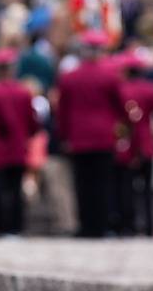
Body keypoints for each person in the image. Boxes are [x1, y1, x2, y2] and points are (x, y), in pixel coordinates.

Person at [57, 30, 126, 238]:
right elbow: (121, 106)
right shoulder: (110, 76)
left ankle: (86, 225)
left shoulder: (69, 77)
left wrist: (64, 136)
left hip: (78, 136)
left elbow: (63, 112)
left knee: (82, 184)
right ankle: (102, 224)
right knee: (103, 183)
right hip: (104, 135)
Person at [0, 48, 40, 236]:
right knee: (15, 190)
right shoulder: (23, 93)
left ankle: (2, 227)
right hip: (17, 147)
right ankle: (16, 226)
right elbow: (33, 123)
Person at [116, 55, 153, 237]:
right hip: (147, 141)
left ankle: (127, 226)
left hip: (127, 142)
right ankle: (150, 227)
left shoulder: (121, 89)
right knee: (148, 188)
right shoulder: (152, 89)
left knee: (125, 187)